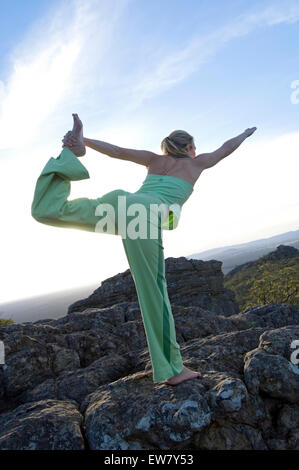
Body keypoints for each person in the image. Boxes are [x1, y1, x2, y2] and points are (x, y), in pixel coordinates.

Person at [31, 114, 257, 385]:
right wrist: (244, 134)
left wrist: (84, 142)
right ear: (188, 148)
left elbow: (118, 151)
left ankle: (70, 155)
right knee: (154, 291)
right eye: (193, 146)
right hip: (145, 215)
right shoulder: (197, 163)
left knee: (49, 210)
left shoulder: (155, 159)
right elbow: (226, 148)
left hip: (123, 202)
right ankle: (171, 370)